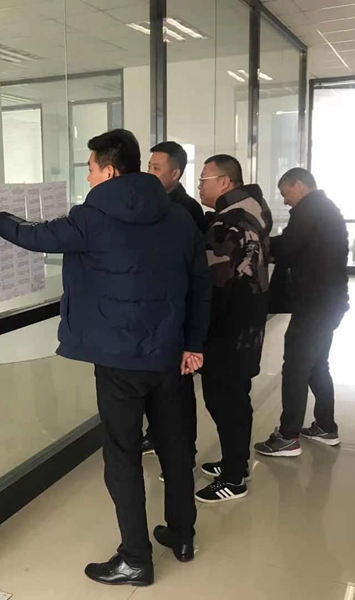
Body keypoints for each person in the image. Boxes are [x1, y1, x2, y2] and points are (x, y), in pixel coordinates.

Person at [0, 129, 211, 587]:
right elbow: (201, 285)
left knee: (122, 455)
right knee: (177, 448)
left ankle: (135, 558)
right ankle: (182, 536)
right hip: (169, 356)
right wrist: (193, 345)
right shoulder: (179, 217)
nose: (88, 176)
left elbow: (34, 235)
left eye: (91, 168)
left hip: (119, 361)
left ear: (110, 171)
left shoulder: (91, 217)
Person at [193, 155, 273, 503]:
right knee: (235, 397)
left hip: (228, 329)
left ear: (224, 182)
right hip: (247, 325)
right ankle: (234, 462)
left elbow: (215, 285)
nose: (200, 186)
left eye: (204, 179)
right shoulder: (252, 212)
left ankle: (234, 478)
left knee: (225, 399)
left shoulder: (229, 223)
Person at [254, 168, 349, 457]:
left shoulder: (310, 210)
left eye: (286, 193)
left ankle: (288, 437)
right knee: (317, 365)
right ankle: (325, 427)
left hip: (314, 305)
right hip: (328, 303)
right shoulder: (325, 209)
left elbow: (288, 246)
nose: (285, 200)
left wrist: (257, 241)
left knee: (295, 367)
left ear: (299, 185)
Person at [142, 141, 206, 460]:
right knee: (153, 387)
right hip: (152, 316)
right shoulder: (147, 205)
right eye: (149, 166)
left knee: (178, 393)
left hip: (176, 317)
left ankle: (185, 451)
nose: (149, 173)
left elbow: (195, 276)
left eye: (156, 168)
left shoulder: (186, 210)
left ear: (175, 173)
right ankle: (156, 436)